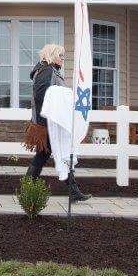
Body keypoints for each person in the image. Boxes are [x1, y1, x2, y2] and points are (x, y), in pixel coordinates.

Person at [22, 43, 91, 202]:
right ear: (52, 55)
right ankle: (73, 191)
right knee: (55, 155)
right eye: (60, 55)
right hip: (48, 123)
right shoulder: (47, 71)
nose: (63, 59)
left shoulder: (49, 70)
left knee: (48, 155)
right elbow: (42, 96)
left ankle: (73, 191)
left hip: (49, 121)